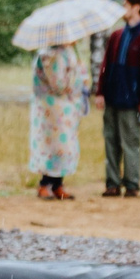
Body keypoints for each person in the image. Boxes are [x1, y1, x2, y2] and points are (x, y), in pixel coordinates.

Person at [98, 0, 140, 198]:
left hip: (131, 99)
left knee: (130, 142)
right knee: (110, 140)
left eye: (126, 5)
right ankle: (112, 183)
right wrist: (100, 92)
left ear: (136, 7)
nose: (123, 8)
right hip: (112, 96)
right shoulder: (116, 36)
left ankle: (132, 183)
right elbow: (106, 66)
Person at [29, 38, 89, 200]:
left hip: (65, 109)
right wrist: (76, 77)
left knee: (64, 147)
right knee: (53, 146)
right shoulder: (51, 56)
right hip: (53, 110)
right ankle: (45, 184)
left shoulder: (66, 53)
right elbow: (59, 84)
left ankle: (57, 184)